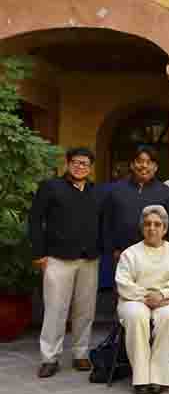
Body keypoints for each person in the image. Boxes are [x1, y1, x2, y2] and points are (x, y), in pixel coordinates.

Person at [29, 147, 102, 378]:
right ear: (68, 163)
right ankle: (50, 357)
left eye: (86, 164)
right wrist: (39, 253)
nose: (81, 167)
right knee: (55, 309)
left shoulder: (94, 191)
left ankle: (81, 353)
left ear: (90, 168)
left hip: (89, 259)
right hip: (57, 257)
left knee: (85, 310)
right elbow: (35, 220)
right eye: (77, 162)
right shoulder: (51, 187)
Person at [115, 205, 169, 394]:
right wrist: (147, 298)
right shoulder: (130, 253)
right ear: (142, 228)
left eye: (157, 224)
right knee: (136, 315)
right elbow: (123, 283)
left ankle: (158, 377)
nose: (152, 228)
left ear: (165, 229)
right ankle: (141, 378)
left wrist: (162, 295)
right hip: (134, 300)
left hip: (167, 301)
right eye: (147, 224)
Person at [103, 146, 169, 262]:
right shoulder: (117, 190)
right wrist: (112, 249)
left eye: (149, 162)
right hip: (123, 255)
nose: (144, 166)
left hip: (156, 255)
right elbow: (107, 222)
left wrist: (168, 250)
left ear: (155, 167)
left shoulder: (165, 192)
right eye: (139, 161)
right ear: (132, 165)